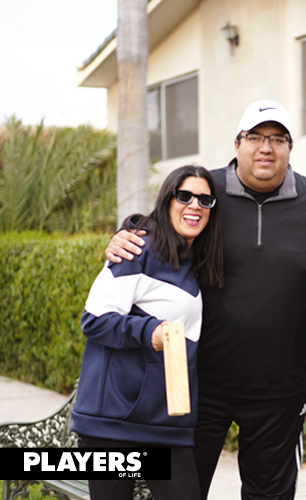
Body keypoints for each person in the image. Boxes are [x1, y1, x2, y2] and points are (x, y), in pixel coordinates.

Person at [104, 100, 306, 500]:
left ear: (290, 147)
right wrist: (126, 233)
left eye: (277, 138)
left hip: (280, 391)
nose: (266, 147)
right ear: (237, 143)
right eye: (255, 137)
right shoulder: (206, 193)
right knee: (180, 493)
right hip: (200, 384)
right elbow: (160, 225)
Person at [71, 164, 224, 500]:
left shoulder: (194, 261)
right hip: (112, 421)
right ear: (167, 199)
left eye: (205, 200)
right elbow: (93, 320)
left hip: (166, 422)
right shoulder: (136, 249)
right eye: (184, 196)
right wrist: (149, 331)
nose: (194, 205)